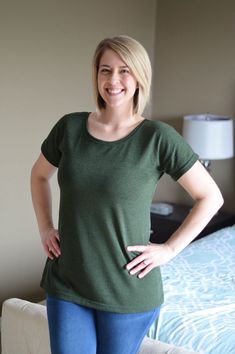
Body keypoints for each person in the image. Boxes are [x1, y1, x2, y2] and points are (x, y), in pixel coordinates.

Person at [30, 35, 223, 354]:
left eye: (124, 70)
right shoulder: (69, 128)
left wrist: (170, 249)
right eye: (105, 70)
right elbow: (38, 175)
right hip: (67, 282)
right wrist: (45, 227)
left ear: (139, 77)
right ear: (96, 75)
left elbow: (211, 197)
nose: (114, 80)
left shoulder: (157, 138)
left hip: (127, 288)